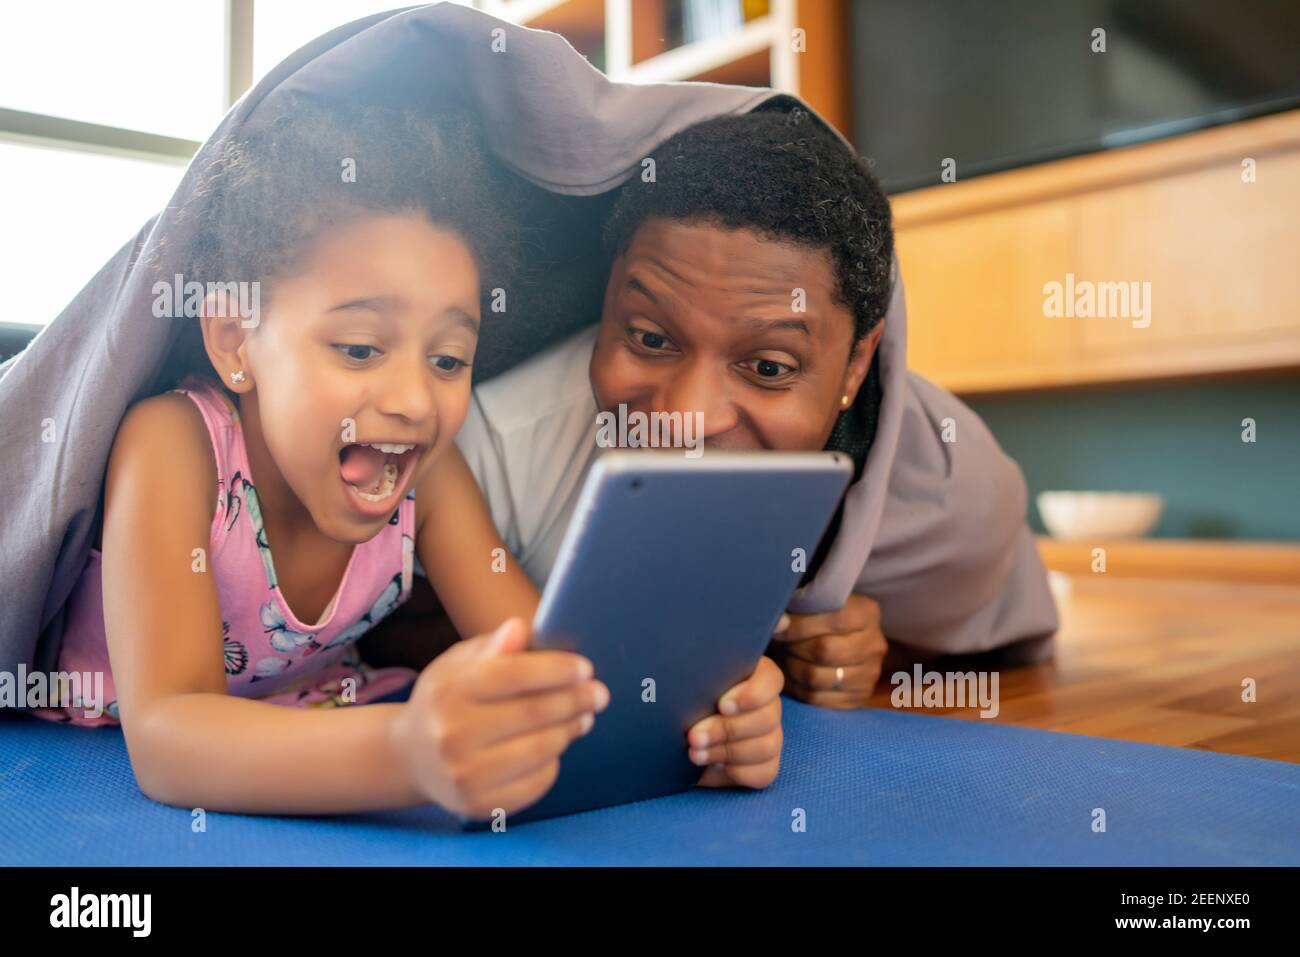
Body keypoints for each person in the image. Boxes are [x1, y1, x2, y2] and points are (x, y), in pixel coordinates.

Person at [25, 103, 783, 818]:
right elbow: (168, 739)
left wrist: (712, 714)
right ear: (235, 340)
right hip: (92, 756)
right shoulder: (173, 444)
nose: (416, 400)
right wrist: (408, 751)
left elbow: (552, 663)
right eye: (359, 348)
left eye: (450, 359)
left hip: (323, 711)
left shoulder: (430, 473)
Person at [363, 108, 1059, 708]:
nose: (687, 417)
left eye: (766, 366)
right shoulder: (494, 440)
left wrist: (874, 646)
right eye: (650, 337)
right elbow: (369, 635)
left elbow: (1004, 635)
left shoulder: (945, 484)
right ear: (603, 303)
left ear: (856, 363)